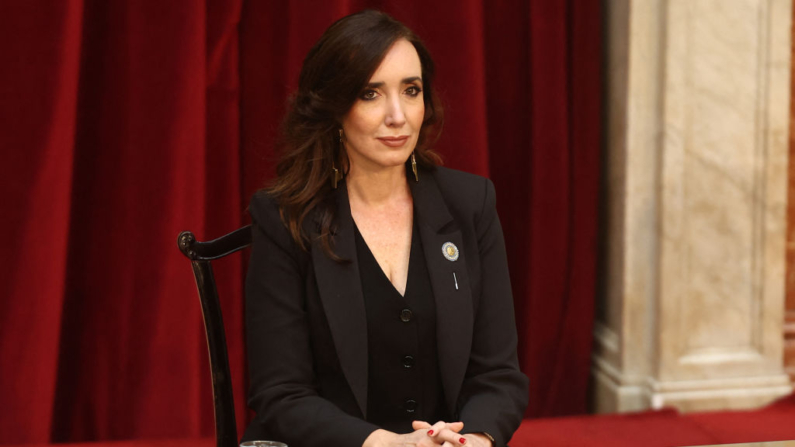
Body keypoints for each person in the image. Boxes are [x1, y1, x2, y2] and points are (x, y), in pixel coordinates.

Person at [243, 10, 528, 447]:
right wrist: (386, 444)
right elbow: (281, 394)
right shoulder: (285, 217)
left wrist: (475, 440)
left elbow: (498, 376)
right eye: (370, 94)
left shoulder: (471, 204)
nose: (398, 116)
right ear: (334, 106)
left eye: (411, 91)